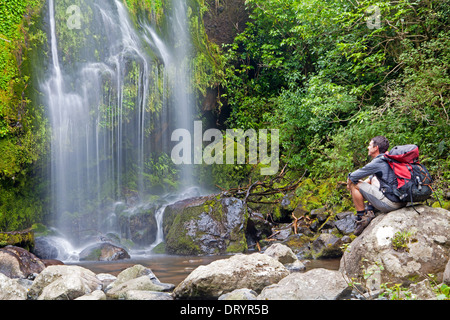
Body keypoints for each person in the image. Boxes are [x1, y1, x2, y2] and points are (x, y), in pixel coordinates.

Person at [347, 136, 405, 235]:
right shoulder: (388, 158)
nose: (368, 148)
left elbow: (353, 176)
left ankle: (361, 219)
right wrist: (363, 186)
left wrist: (350, 185)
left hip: (391, 204)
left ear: (376, 148)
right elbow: (371, 178)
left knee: (354, 184)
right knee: (373, 178)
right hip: (402, 200)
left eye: (370, 145)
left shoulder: (379, 161)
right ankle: (371, 210)